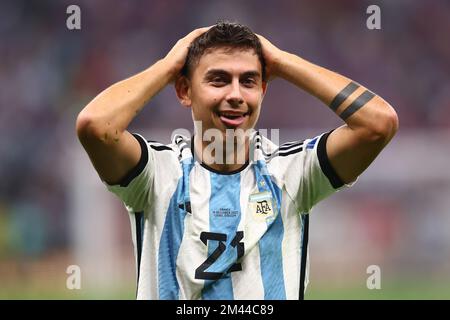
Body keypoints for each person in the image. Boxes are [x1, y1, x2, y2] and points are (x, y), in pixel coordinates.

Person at [76, 21, 398, 300]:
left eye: (248, 81)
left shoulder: (290, 173)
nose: (236, 95)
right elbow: (95, 126)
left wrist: (284, 63)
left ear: (262, 90)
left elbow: (378, 124)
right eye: (218, 80)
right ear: (184, 90)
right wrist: (167, 65)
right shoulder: (159, 174)